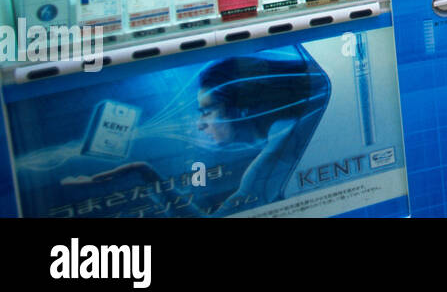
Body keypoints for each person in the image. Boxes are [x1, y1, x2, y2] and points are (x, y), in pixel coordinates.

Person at [76, 49, 330, 216]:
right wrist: (146, 173)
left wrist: (146, 176)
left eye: (207, 111)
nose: (200, 125)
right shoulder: (290, 130)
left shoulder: (274, 160)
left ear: (240, 109)